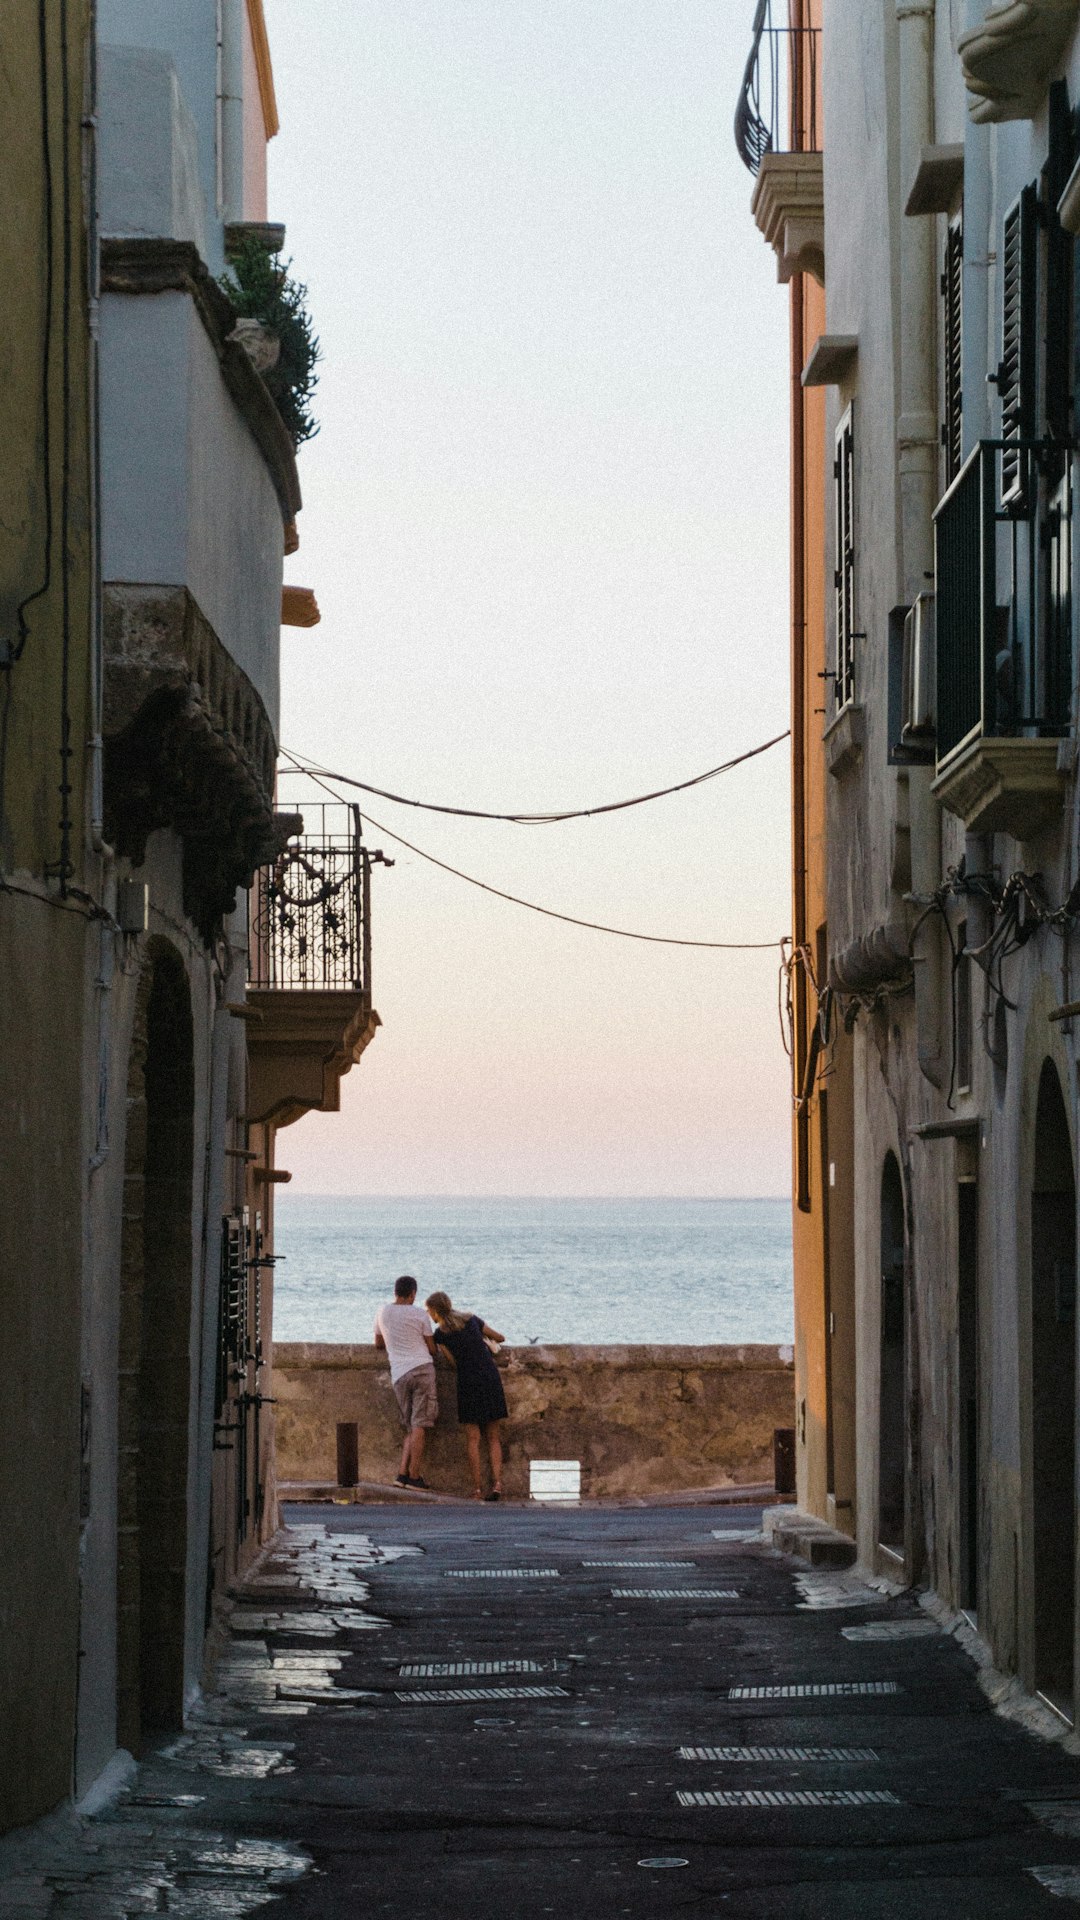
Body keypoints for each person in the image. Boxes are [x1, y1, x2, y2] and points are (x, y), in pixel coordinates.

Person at [425, 1291, 508, 1500]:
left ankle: (478, 1489)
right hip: (489, 1376)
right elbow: (500, 1338)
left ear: (435, 1311)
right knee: (493, 1437)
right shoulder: (471, 1319)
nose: (428, 1314)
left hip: (468, 1381)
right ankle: (497, 1484)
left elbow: (453, 1363)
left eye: (429, 1310)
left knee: (473, 1439)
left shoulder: (440, 1335)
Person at [374, 1275, 438, 1488]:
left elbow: (378, 1343)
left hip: (399, 1374)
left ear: (395, 1292)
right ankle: (414, 1476)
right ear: (413, 1294)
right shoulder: (420, 1314)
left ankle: (401, 1474)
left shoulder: (382, 1312)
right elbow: (431, 1348)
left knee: (410, 1426)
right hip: (422, 1370)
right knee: (420, 1424)